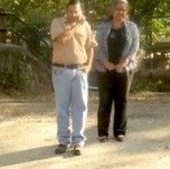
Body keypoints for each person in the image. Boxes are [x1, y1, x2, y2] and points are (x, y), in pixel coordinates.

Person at [50, 0, 95, 156]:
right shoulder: (57, 23)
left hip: (79, 71)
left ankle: (78, 142)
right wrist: (75, 25)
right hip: (61, 71)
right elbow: (62, 39)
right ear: (66, 11)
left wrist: (89, 66)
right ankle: (63, 141)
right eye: (71, 11)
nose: (74, 15)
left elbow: (90, 47)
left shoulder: (86, 26)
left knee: (80, 107)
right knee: (62, 108)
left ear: (80, 11)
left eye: (77, 12)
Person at [92, 0, 139, 143]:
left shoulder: (132, 28)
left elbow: (135, 47)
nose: (121, 12)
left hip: (124, 69)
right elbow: (96, 47)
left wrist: (124, 63)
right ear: (112, 10)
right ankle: (102, 133)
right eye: (118, 9)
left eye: (124, 10)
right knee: (105, 102)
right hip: (105, 69)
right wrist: (106, 63)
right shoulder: (103, 27)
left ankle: (119, 132)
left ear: (127, 11)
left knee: (122, 101)